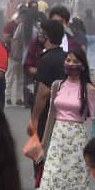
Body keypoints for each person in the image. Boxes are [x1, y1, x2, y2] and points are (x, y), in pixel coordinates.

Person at [35, 45, 95, 190]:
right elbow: (51, 116)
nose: (70, 64)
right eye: (68, 60)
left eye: (74, 61)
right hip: (57, 139)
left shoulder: (88, 89)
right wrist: (42, 145)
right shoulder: (57, 85)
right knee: (47, 188)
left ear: (82, 64)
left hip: (77, 140)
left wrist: (93, 152)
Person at [27, 19, 68, 163]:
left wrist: (34, 118)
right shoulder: (66, 57)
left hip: (46, 115)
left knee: (40, 154)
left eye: (42, 32)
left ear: (47, 35)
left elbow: (43, 93)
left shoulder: (46, 60)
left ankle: (40, 182)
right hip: (62, 114)